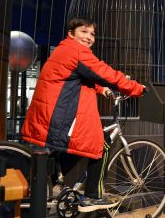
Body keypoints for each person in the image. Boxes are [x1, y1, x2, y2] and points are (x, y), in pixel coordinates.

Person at [21, 18, 145, 212]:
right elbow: (104, 73)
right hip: (59, 116)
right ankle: (92, 197)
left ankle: (56, 184)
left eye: (92, 34)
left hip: (51, 114)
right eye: (84, 32)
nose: (89, 37)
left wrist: (102, 90)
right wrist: (136, 88)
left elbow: (80, 76)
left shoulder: (66, 50)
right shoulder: (77, 51)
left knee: (68, 149)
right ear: (71, 33)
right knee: (101, 142)